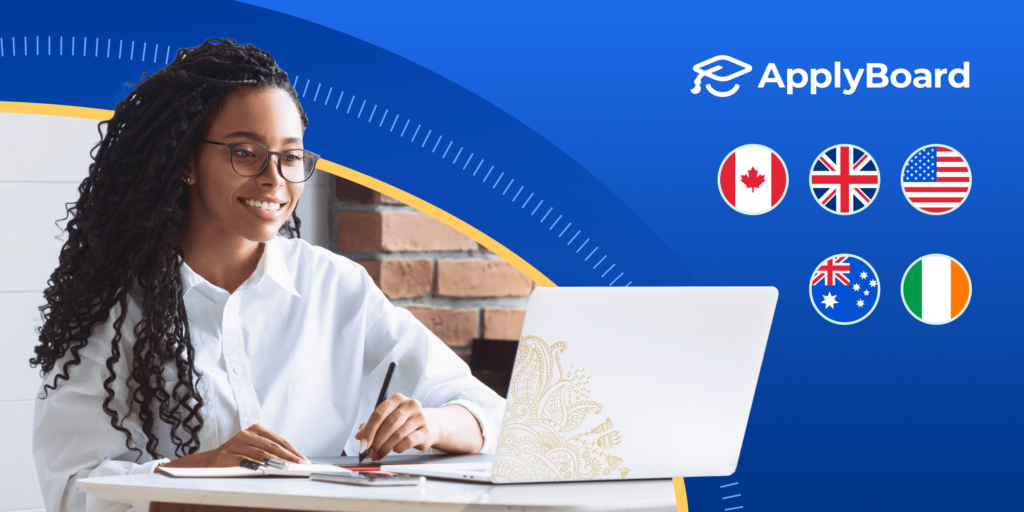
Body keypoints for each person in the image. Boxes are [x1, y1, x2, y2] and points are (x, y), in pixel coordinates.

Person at [29, 37, 505, 512]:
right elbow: (75, 488)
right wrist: (206, 472)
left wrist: (432, 424)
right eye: (245, 152)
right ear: (187, 162)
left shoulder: (335, 286)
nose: (275, 178)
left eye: (291, 156)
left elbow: (495, 415)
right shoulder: (115, 308)